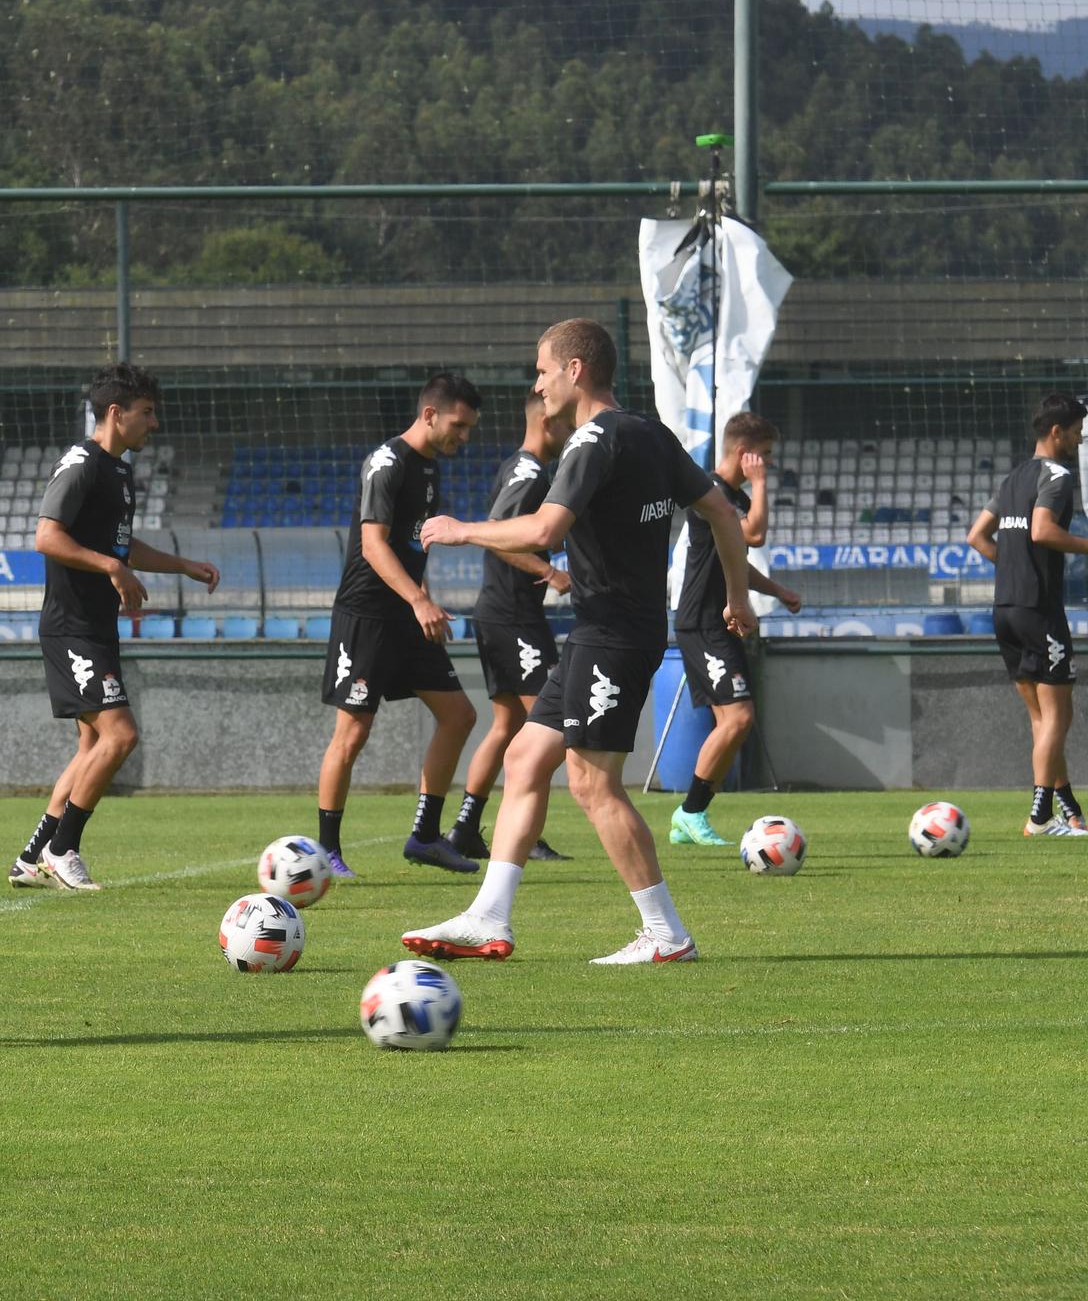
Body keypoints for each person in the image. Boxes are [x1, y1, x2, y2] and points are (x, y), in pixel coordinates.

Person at [402, 318, 757, 965]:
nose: (536, 386)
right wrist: (736, 594)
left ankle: (666, 933)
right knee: (525, 759)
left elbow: (543, 527)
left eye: (541, 371)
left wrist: (461, 530)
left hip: (613, 635)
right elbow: (722, 512)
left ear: (574, 370)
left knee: (593, 785)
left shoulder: (593, 440)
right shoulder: (650, 432)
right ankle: (489, 913)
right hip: (606, 630)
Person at [10, 363, 219, 891]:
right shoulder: (82, 462)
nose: (154, 423)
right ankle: (64, 847)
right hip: (71, 627)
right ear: (115, 412)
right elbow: (47, 537)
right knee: (121, 736)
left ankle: (32, 857)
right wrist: (110, 567)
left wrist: (182, 565)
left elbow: (121, 547)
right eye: (146, 413)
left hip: (95, 626)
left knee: (91, 748)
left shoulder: (120, 471)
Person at [315, 373, 484, 880]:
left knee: (459, 715)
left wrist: (422, 598)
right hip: (367, 616)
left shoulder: (430, 467)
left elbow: (413, 547)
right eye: (459, 425)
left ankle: (425, 837)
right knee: (353, 731)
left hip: (409, 614)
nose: (465, 436)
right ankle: (326, 852)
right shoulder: (386, 463)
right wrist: (418, 599)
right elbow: (374, 544)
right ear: (429, 414)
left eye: (470, 428)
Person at [966, 394, 1088, 837]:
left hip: (1006, 609)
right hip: (1039, 609)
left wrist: (1012, 568)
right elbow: (1042, 530)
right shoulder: (1057, 475)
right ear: (1057, 432)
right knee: (1058, 715)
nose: (1079, 439)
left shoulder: (1013, 478)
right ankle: (1039, 816)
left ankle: (1068, 807)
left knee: (1042, 718)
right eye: (1077, 431)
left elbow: (976, 537)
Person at [447, 389, 574, 864]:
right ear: (546, 422)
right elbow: (496, 534)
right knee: (550, 723)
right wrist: (547, 572)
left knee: (509, 725)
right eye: (564, 422)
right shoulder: (528, 472)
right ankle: (525, 833)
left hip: (505, 612)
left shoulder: (520, 467)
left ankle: (464, 827)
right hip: (513, 616)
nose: (570, 430)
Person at [667, 410, 803, 848]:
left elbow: (736, 559)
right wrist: (761, 485)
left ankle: (689, 817)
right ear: (745, 455)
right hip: (704, 621)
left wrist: (777, 590)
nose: (766, 464)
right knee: (738, 716)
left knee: (735, 720)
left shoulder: (728, 497)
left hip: (719, 620)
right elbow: (757, 535)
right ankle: (690, 811)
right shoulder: (712, 494)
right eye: (762, 456)